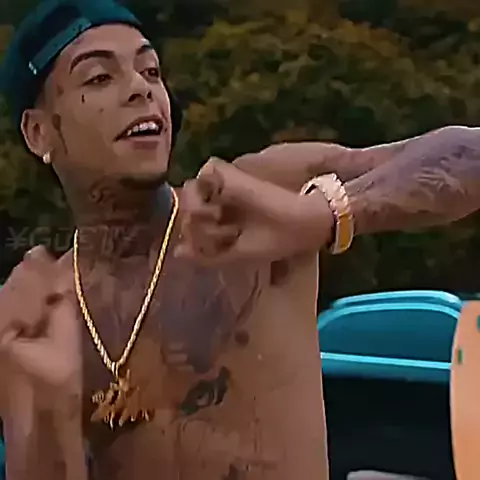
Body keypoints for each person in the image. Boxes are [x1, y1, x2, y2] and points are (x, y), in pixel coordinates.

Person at [0, 1, 326, 479]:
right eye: (99, 77)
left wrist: (325, 212)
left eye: (151, 70)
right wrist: (49, 408)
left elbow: (445, 156)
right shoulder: (41, 316)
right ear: (38, 132)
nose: (141, 88)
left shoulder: (256, 202)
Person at [176, 126, 480, 264]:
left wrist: (318, 216)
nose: (148, 91)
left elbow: (469, 154)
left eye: (154, 72)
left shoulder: (242, 190)